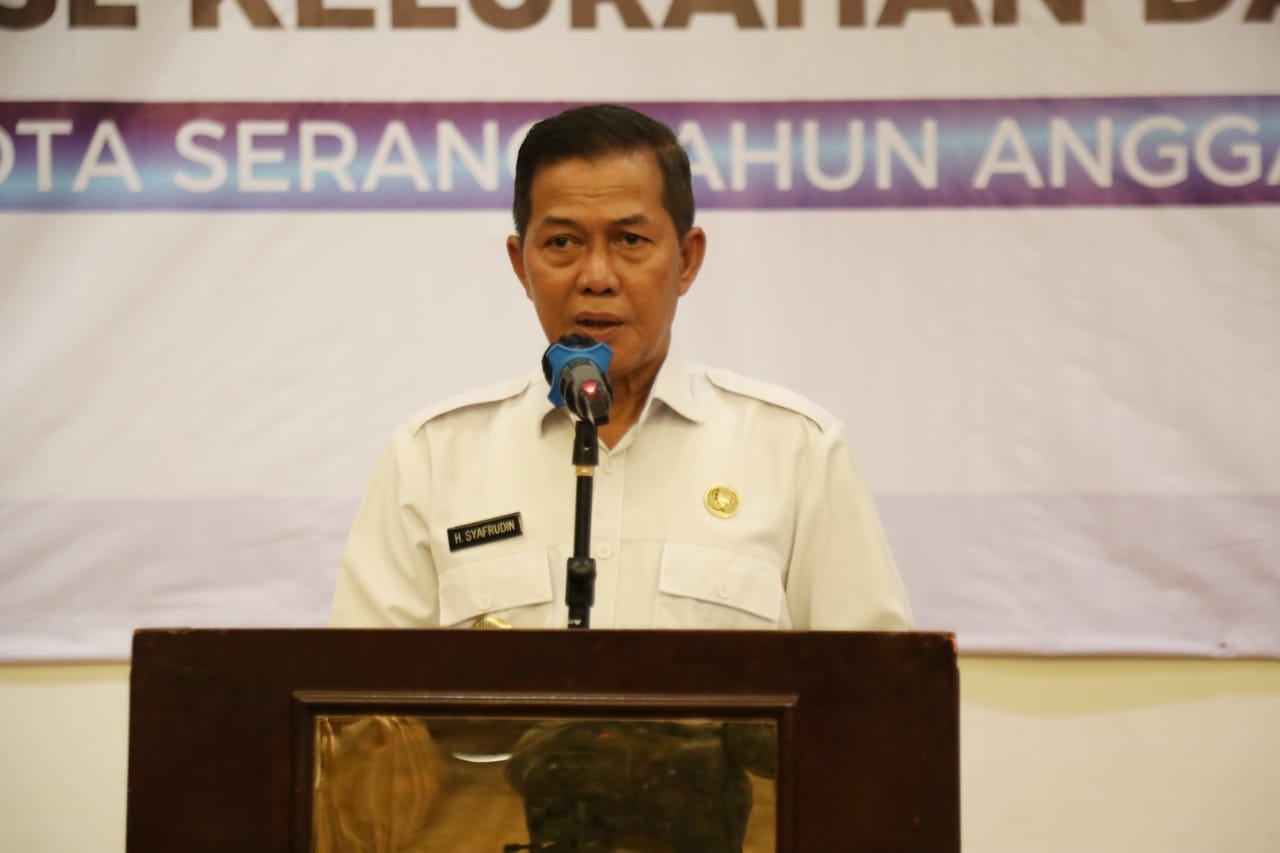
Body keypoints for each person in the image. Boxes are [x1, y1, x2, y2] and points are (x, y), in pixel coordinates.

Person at [331, 104, 911, 632]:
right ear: (520, 264)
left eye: (630, 239)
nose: (596, 277)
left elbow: (874, 689)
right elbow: (360, 697)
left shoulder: (796, 452)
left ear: (687, 260)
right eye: (563, 243)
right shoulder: (433, 458)